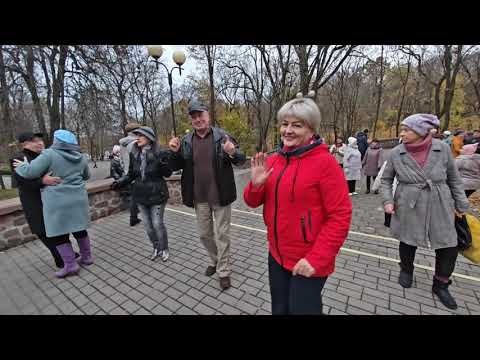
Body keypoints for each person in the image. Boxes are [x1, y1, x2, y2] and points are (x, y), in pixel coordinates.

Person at [243, 92, 352, 315]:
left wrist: (317, 258)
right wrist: (255, 185)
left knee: (303, 310)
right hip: (276, 254)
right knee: (280, 309)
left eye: (297, 125)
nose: (288, 130)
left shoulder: (326, 164)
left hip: (308, 259)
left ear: (311, 129)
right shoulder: (273, 160)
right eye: (284, 124)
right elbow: (251, 202)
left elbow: (340, 217)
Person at [381, 114, 469, 310]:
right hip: (408, 201)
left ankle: (441, 284)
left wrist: (461, 204)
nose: (401, 133)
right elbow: (386, 179)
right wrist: (387, 201)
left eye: (406, 129)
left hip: (440, 201)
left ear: (421, 131)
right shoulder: (396, 152)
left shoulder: (443, 149)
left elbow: (454, 179)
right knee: (407, 239)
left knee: (448, 245)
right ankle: (406, 270)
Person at [168, 101, 246, 290]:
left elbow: (241, 160)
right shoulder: (185, 140)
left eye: (200, 115)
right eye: (193, 117)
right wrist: (173, 152)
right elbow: (174, 166)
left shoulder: (223, 136)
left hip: (221, 194)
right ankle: (216, 260)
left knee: (222, 234)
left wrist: (232, 152)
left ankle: (224, 271)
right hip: (199, 196)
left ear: (208, 116)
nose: (197, 119)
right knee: (204, 234)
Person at [14, 130, 93, 279]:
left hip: (58, 201)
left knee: (58, 234)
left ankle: (71, 265)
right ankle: (87, 257)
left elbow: (30, 172)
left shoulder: (49, 154)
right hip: (78, 199)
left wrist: (21, 166)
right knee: (79, 229)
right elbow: (86, 175)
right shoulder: (80, 156)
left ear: (56, 141)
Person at [113, 127, 172, 261]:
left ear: (149, 138)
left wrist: (163, 162)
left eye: (140, 136)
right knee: (148, 226)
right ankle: (156, 247)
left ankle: (164, 248)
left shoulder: (159, 152)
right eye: (136, 135)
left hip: (157, 193)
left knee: (157, 224)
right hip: (141, 195)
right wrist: (120, 181)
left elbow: (167, 173)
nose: (137, 138)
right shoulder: (135, 154)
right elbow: (132, 174)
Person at [119, 122, 142, 226]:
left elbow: (121, 160)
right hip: (135, 172)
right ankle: (133, 218)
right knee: (136, 196)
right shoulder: (134, 143)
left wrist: (125, 171)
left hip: (127, 172)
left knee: (134, 195)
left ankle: (134, 217)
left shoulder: (122, 143)